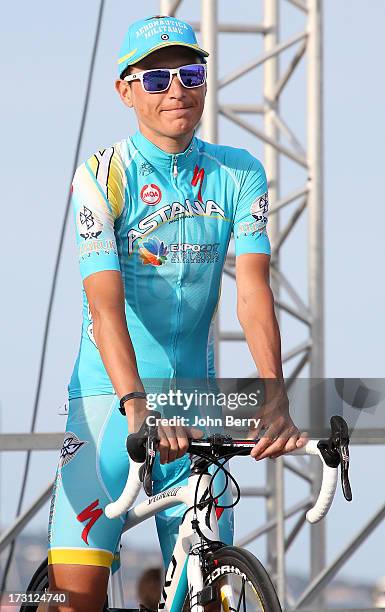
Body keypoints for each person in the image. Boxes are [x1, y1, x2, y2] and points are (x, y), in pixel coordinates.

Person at [42, 14, 308, 612]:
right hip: (108, 409)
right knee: (75, 599)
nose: (177, 89)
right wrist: (136, 407)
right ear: (125, 90)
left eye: (190, 72)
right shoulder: (103, 174)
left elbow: (253, 293)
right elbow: (104, 307)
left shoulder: (239, 172)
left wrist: (274, 394)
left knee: (209, 596)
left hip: (197, 408)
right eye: (157, 78)